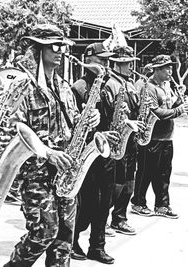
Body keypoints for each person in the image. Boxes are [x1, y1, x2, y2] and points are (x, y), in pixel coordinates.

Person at [3, 24, 100, 267]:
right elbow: (15, 129)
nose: (61, 52)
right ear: (38, 49)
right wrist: (47, 152)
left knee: (64, 238)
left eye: (63, 47)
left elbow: (73, 122)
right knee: (43, 234)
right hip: (36, 173)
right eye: (55, 47)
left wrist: (89, 120)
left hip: (65, 172)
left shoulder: (64, 86)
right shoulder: (21, 85)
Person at [70, 42, 118, 264]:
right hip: (88, 152)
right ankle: (71, 239)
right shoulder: (79, 87)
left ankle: (97, 247)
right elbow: (74, 126)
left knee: (105, 202)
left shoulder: (108, 85)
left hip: (105, 153)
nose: (106, 64)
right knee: (87, 204)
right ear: (89, 60)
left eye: (108, 60)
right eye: (102, 60)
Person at [131, 55, 188, 219]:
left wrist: (179, 101)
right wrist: (179, 111)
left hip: (166, 137)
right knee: (146, 172)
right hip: (152, 137)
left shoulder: (167, 86)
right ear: (157, 70)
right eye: (166, 68)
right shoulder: (148, 87)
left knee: (164, 173)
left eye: (171, 67)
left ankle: (162, 205)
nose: (170, 71)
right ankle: (138, 202)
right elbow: (156, 112)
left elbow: (170, 107)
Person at [107, 46, 143, 235]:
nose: (130, 67)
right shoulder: (111, 84)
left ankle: (120, 218)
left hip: (131, 140)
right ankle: (103, 218)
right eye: (127, 63)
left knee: (129, 182)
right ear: (117, 64)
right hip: (118, 139)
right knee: (116, 183)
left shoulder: (130, 83)